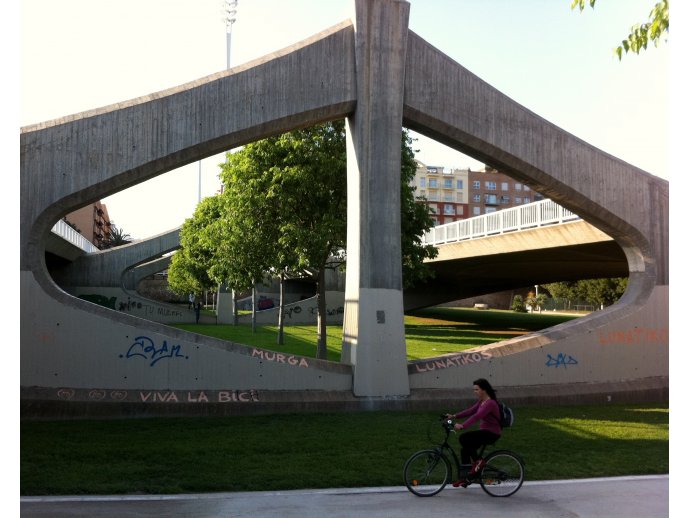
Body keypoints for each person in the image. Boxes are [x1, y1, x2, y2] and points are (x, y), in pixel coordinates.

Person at [446, 378, 502, 483]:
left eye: (476, 389)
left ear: (484, 390)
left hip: (492, 433)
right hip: (485, 432)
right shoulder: (482, 401)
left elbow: (477, 416)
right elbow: (470, 411)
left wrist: (463, 426)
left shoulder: (490, 403)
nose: (474, 392)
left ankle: (479, 462)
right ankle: (466, 478)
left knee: (464, 438)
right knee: (465, 450)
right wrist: (454, 416)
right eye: (474, 389)